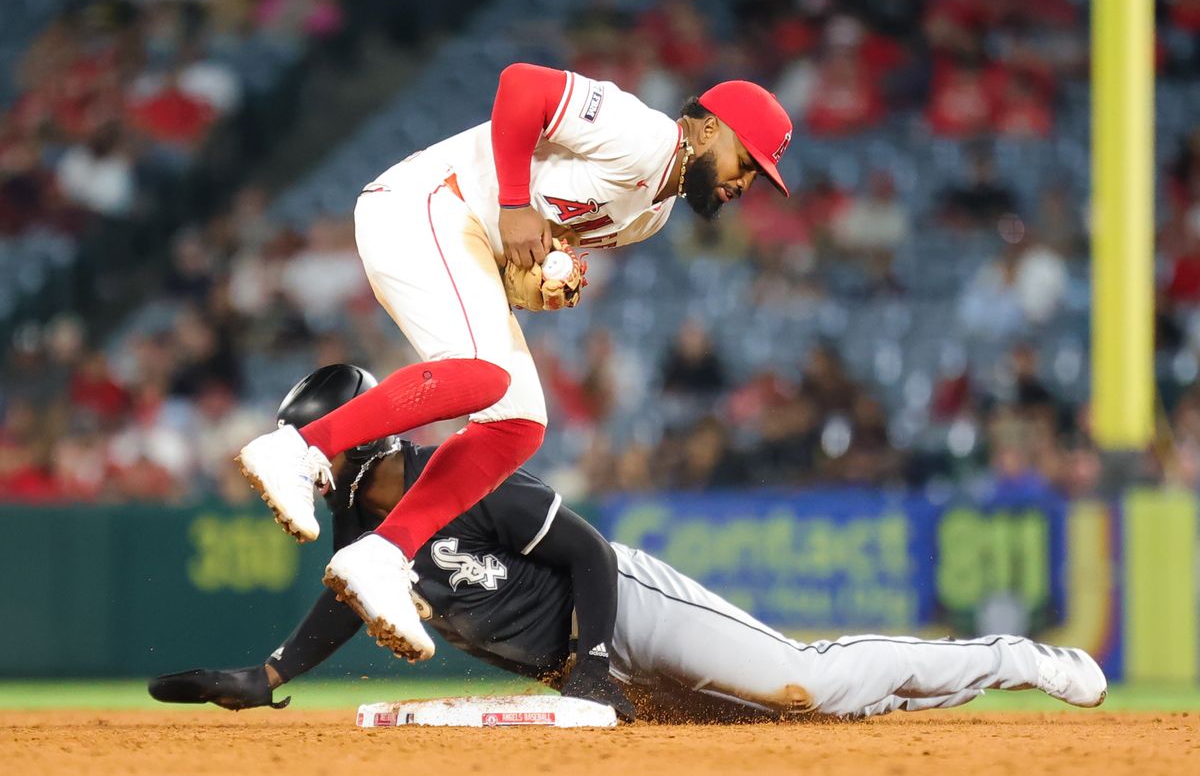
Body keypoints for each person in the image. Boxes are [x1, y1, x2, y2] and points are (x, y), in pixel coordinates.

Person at [155, 366, 1107, 723]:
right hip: (592, 668)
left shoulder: (468, 474)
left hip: (628, 612)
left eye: (324, 451)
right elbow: (349, 597)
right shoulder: (371, 535)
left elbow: (590, 558)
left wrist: (595, 665)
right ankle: (915, 699)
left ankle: (1017, 657)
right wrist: (268, 670)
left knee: (804, 684)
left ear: (364, 443)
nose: (316, 473)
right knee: (813, 724)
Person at [234, 64, 795, 663]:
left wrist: (540, 279)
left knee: (518, 423)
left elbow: (521, 253)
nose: (747, 182)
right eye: (748, 160)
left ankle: (385, 552)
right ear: (709, 130)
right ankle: (299, 448)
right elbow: (521, 85)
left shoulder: (651, 215)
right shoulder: (645, 135)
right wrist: (514, 203)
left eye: (760, 175)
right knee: (483, 374)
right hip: (423, 204)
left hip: (460, 231)